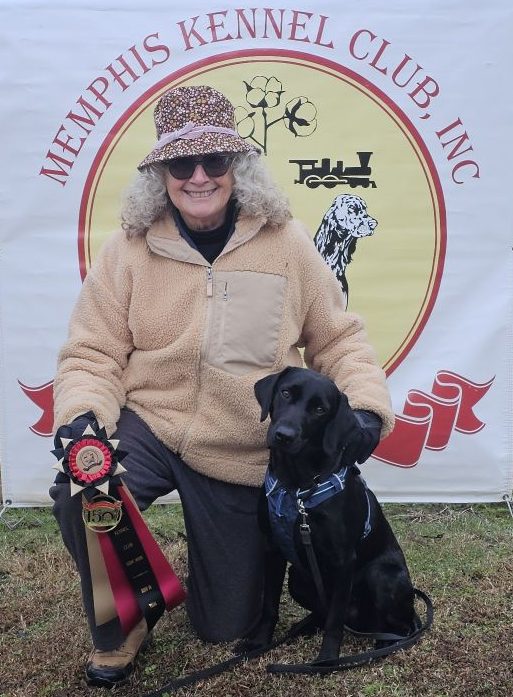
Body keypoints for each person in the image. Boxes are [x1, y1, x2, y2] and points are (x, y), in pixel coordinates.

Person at [50, 85, 395, 688]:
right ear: (162, 173)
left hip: (240, 452)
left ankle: (211, 579)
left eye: (215, 161)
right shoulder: (127, 249)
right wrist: (82, 416)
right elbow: (92, 351)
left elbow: (339, 338)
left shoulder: (287, 243)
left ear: (237, 168)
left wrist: (366, 409)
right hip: (151, 427)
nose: (200, 176)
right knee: (80, 489)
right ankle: (123, 620)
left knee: (226, 625)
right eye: (183, 163)